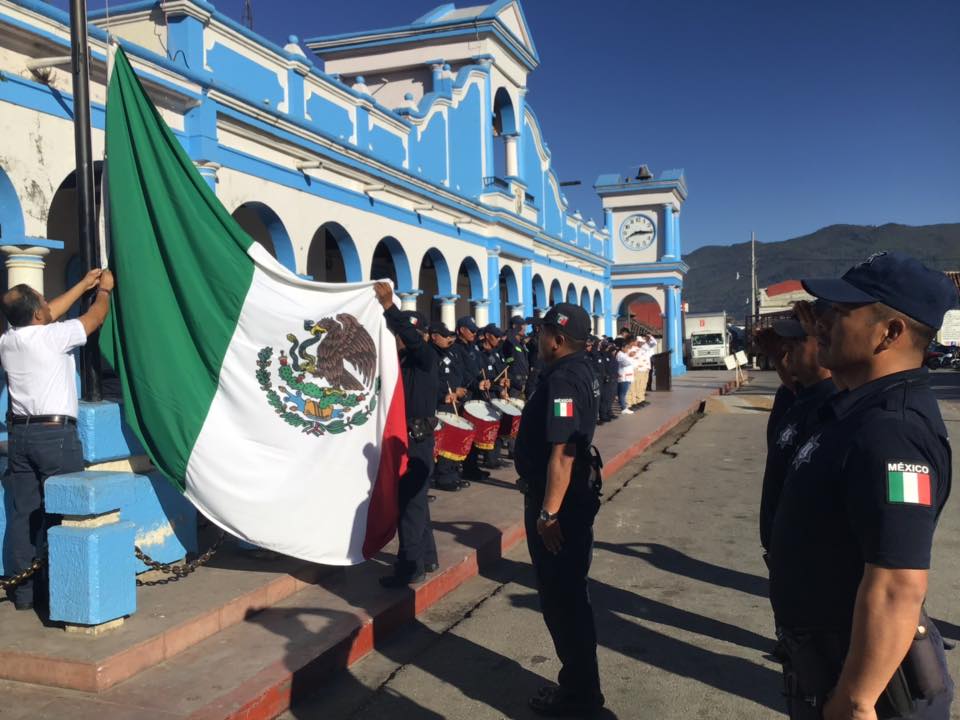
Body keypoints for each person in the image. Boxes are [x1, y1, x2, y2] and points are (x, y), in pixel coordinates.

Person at [768, 252, 958, 720]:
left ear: (889, 333)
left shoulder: (892, 432)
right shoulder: (854, 408)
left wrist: (855, 701)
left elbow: (898, 583)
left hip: (862, 685)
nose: (824, 324)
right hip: (823, 663)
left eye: (840, 313)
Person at [1, 269, 114, 611]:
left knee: (23, 515)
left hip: (20, 435)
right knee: (66, 511)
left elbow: (50, 312)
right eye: (43, 303)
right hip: (55, 436)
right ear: (38, 314)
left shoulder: (9, 340)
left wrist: (83, 283)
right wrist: (104, 292)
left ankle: (23, 592)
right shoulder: (53, 337)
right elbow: (94, 318)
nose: (49, 305)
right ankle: (63, 593)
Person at [514, 303, 604, 716]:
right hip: (572, 500)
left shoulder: (564, 381)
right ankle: (580, 687)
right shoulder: (579, 369)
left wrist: (548, 513)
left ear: (557, 338)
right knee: (568, 598)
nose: (536, 338)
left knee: (563, 600)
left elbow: (564, 453)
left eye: (542, 332)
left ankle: (580, 695)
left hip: (562, 508)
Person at [374, 283, 439, 587]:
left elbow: (413, 340)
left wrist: (389, 307)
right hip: (408, 438)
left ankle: (410, 566)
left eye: (407, 335)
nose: (401, 340)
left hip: (417, 439)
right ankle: (426, 556)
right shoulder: (401, 363)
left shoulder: (425, 357)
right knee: (416, 502)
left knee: (410, 505)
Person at [758, 312, 837, 556]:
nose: (786, 348)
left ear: (826, 343)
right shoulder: (799, 395)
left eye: (798, 340)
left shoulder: (835, 404)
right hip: (784, 550)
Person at [430, 321, 470, 492]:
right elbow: (432, 382)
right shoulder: (431, 355)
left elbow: (461, 373)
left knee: (455, 439)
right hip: (442, 403)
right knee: (445, 441)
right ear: (434, 336)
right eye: (444, 336)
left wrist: (462, 390)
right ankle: (443, 477)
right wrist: (447, 394)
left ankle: (453, 474)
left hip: (456, 400)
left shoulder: (451, 352)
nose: (448, 339)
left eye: (449, 335)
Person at [615, 336, 636, 414]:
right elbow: (626, 363)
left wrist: (629, 356)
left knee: (624, 393)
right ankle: (623, 408)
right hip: (624, 377)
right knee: (622, 393)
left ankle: (624, 406)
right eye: (626, 347)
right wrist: (630, 356)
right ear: (622, 347)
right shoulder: (620, 355)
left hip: (628, 376)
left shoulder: (624, 354)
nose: (628, 349)